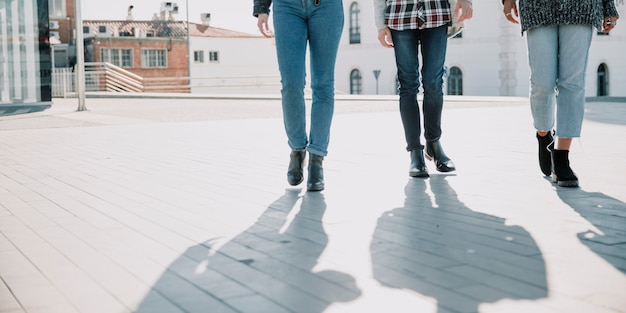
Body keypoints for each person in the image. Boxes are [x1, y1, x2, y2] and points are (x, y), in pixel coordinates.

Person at [502, 0, 619, 187]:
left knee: (572, 82)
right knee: (542, 83)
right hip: (536, 7)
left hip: (582, 7)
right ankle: (543, 134)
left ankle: (562, 157)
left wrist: (608, 6)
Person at [373, 0, 473, 178]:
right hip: (400, 13)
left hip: (436, 10)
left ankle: (433, 143)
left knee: (434, 82)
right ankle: (415, 152)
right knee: (408, 85)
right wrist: (381, 26)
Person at [253, 0, 344, 192]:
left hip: (327, 7)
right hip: (287, 6)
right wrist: (261, 8)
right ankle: (297, 149)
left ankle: (317, 159)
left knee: (323, 84)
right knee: (291, 82)